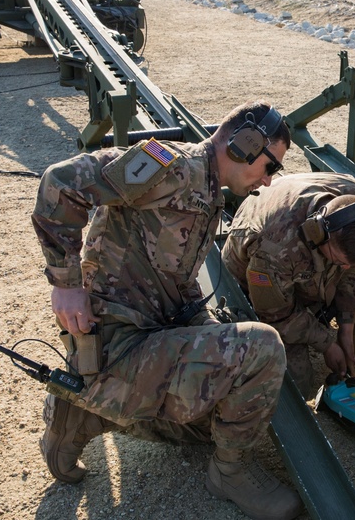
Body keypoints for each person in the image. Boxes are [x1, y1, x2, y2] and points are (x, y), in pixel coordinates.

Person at [31, 100, 303, 520]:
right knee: (263, 348)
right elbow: (60, 184)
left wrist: (205, 326)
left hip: (151, 333)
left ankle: (88, 414)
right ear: (246, 145)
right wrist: (66, 286)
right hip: (118, 342)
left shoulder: (209, 192)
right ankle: (227, 475)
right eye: (270, 167)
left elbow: (175, 278)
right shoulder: (167, 166)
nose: (269, 182)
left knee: (217, 412)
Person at [222, 172, 355, 398]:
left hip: (305, 269)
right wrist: (327, 343)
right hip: (262, 293)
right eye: (340, 262)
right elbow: (277, 315)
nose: (344, 269)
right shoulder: (273, 247)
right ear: (318, 233)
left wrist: (346, 329)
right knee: (300, 387)